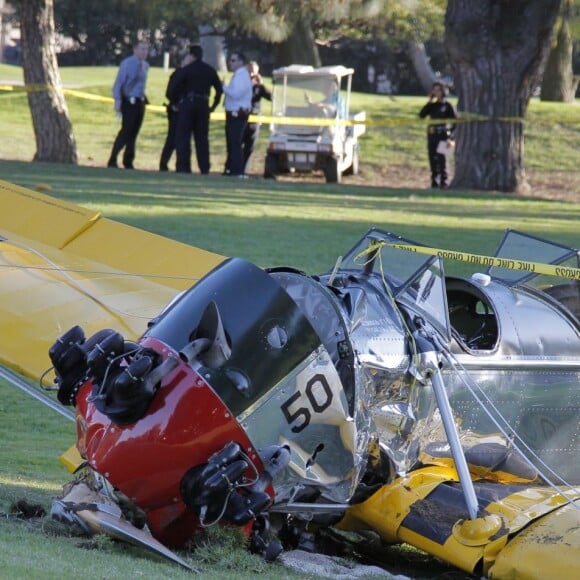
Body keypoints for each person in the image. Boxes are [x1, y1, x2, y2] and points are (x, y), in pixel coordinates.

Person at [166, 44, 223, 174]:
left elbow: (172, 88)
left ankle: (183, 167)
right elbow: (219, 90)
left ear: (192, 55)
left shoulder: (187, 70)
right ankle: (204, 167)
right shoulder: (209, 70)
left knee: (183, 137)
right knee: (202, 138)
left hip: (187, 104)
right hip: (203, 104)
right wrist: (213, 106)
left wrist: (175, 102)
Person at [107, 40, 150, 170]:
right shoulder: (127, 63)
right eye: (142, 49)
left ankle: (128, 160)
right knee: (126, 131)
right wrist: (118, 101)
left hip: (139, 101)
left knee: (134, 133)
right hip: (129, 101)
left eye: (146, 49)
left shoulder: (145, 65)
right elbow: (119, 83)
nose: (144, 52)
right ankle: (113, 159)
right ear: (135, 49)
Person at [159, 52, 194, 172]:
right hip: (175, 110)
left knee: (182, 138)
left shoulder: (190, 76)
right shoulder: (178, 74)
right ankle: (163, 163)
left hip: (185, 110)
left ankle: (181, 164)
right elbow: (169, 92)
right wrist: (175, 103)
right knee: (172, 137)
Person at [418, 82, 456, 189]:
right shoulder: (432, 106)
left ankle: (444, 182)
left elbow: (455, 121)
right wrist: (429, 101)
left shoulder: (447, 106)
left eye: (438, 90)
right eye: (434, 90)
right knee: (432, 158)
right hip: (432, 135)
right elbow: (421, 115)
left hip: (443, 135)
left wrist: (451, 135)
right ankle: (434, 181)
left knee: (442, 158)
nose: (436, 92)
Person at [222, 52, 253, 177]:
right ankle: (232, 169)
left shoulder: (242, 76)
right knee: (232, 143)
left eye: (233, 60)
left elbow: (235, 93)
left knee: (235, 143)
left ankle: (237, 170)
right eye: (230, 60)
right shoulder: (239, 75)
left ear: (241, 62)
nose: (231, 63)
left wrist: (223, 87)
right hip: (234, 114)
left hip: (237, 114)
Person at [242, 61, 272, 175]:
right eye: (248, 72)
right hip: (241, 117)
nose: (250, 76)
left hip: (254, 119)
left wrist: (262, 84)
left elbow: (271, 97)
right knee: (237, 144)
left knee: (249, 147)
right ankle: (234, 169)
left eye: (253, 73)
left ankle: (245, 171)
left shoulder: (259, 87)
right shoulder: (241, 84)